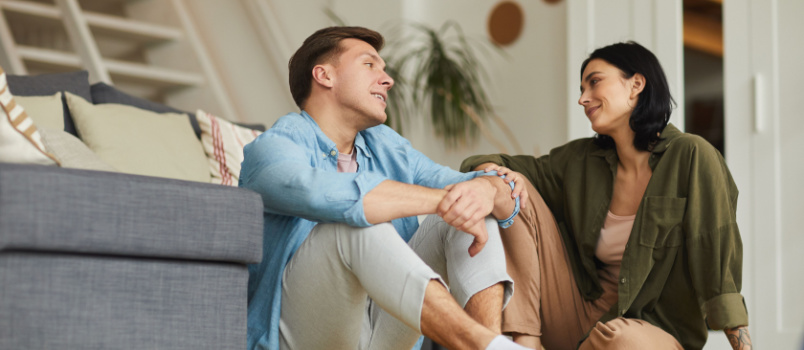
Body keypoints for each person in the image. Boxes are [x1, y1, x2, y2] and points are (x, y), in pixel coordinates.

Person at [241, 26, 532, 350]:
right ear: (324, 75)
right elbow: (330, 194)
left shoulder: (385, 145)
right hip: (300, 334)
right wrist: (446, 200)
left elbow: (486, 193)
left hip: (382, 332)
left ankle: (491, 342)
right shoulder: (272, 148)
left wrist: (489, 188)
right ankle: (482, 344)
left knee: (471, 207)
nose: (388, 80)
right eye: (369, 65)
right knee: (354, 225)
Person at [461, 41, 751, 350]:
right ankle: (525, 342)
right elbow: (489, 162)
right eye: (582, 88)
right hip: (577, 317)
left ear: (636, 84)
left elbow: (717, 263)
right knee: (510, 188)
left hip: (652, 331)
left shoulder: (691, 155)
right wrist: (490, 182)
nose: (582, 98)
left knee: (623, 340)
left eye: (594, 82)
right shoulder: (580, 160)